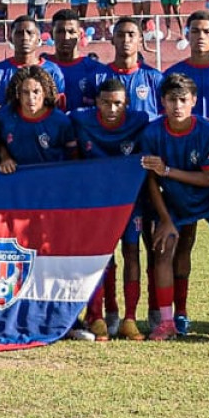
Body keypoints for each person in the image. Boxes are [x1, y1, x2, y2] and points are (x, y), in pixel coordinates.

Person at [138, 72, 209, 340]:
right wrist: (165, 219)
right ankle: (168, 321)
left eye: (183, 99)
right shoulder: (152, 133)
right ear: (162, 102)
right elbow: (149, 181)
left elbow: (206, 178)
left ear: (194, 100)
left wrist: (167, 170)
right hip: (173, 201)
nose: (177, 106)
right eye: (172, 100)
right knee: (164, 249)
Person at [70, 78, 152, 339]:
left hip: (130, 200)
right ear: (96, 102)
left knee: (131, 251)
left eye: (118, 103)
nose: (112, 108)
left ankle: (129, 318)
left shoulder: (139, 120)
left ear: (126, 103)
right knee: (102, 254)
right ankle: (98, 315)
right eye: (106, 102)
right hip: (96, 202)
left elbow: (170, 120)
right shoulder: (80, 119)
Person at [0, 67, 77, 171]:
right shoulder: (4, 116)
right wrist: (5, 157)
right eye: (25, 92)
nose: (31, 97)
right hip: (16, 180)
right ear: (17, 94)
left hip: (51, 179)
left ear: (45, 92)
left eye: (36, 92)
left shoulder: (60, 121)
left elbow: (73, 156)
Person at [0, 16, 65, 108]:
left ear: (39, 39)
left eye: (30, 33)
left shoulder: (53, 71)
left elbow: (58, 110)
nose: (25, 37)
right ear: (10, 38)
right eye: (19, 33)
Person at [48, 9, 103, 112]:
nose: (66, 37)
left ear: (80, 34)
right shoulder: (41, 68)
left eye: (71, 32)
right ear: (51, 34)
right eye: (60, 31)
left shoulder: (96, 69)